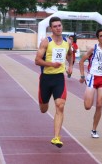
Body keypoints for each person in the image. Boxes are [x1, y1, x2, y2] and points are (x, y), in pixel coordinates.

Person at [35, 16, 73, 148]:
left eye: (60, 25)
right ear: (51, 28)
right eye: (55, 26)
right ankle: (43, 101)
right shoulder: (46, 42)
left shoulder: (67, 42)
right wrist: (51, 63)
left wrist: (70, 66)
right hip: (46, 78)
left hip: (59, 78)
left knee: (60, 105)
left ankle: (56, 137)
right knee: (43, 109)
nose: (58, 28)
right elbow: (37, 60)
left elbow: (70, 54)